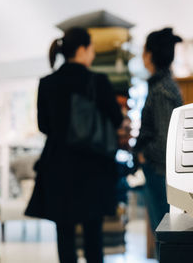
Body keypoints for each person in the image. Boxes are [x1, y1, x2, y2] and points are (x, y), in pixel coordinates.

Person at [25, 27, 123, 263]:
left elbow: (44, 125)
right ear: (82, 49)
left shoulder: (47, 83)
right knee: (93, 234)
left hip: (58, 165)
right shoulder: (98, 81)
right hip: (93, 166)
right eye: (91, 49)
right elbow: (116, 119)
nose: (93, 54)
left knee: (64, 232)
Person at [134, 27, 183, 253]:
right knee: (165, 236)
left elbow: (165, 142)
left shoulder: (161, 89)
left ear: (150, 55)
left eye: (144, 51)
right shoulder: (164, 85)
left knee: (164, 238)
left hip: (160, 173)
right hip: (161, 173)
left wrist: (143, 153)